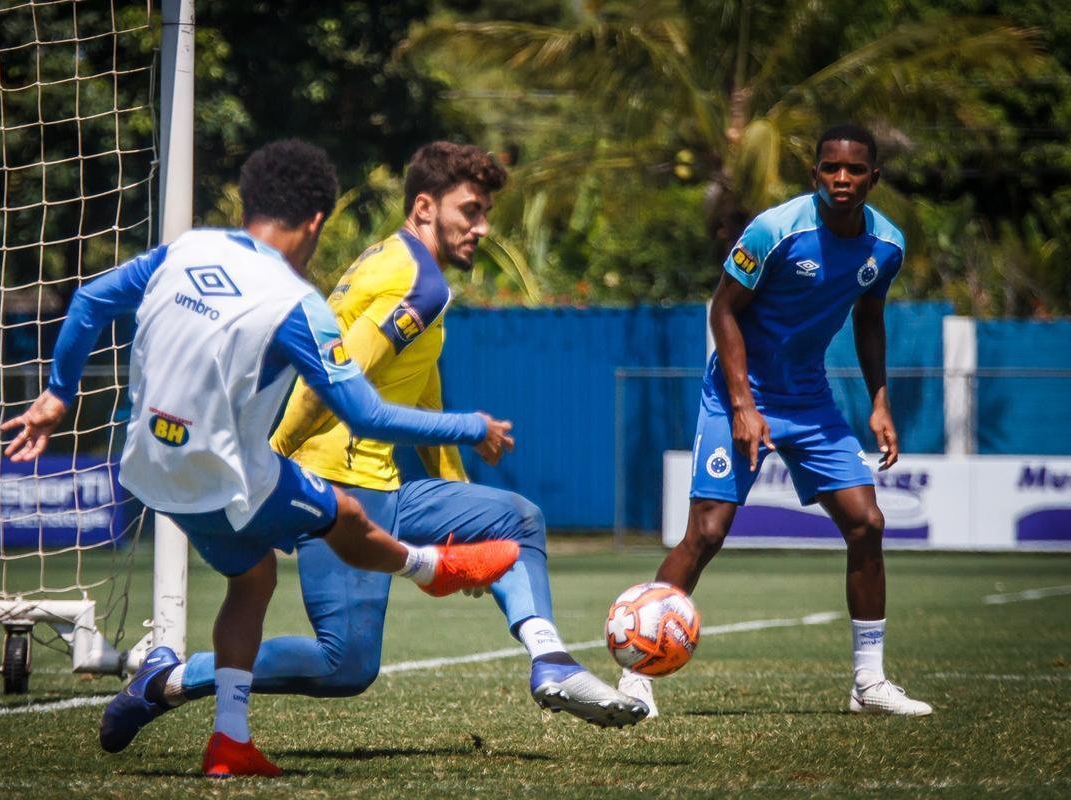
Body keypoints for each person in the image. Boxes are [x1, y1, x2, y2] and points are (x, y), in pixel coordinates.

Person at [0, 139, 522, 778]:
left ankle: (230, 740)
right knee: (347, 517)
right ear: (317, 222)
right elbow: (365, 415)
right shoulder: (297, 304)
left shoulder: (185, 250)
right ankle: (428, 566)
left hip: (145, 472)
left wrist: (57, 395)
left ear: (250, 203)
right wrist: (470, 426)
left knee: (253, 579)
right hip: (230, 480)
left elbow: (88, 302)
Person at [107, 141, 648, 742]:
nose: (482, 227)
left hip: (379, 482)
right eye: (469, 210)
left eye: (485, 212)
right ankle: (168, 677)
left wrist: (457, 494)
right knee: (345, 665)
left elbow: (422, 389)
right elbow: (341, 380)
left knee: (515, 521)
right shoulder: (420, 283)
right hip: (339, 480)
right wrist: (274, 469)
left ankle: (550, 660)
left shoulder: (397, 263)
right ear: (424, 206)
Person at [619, 124, 933, 718]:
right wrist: (742, 404)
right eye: (830, 169)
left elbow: (869, 320)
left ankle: (869, 683)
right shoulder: (775, 229)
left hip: (809, 399)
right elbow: (723, 311)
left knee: (866, 522)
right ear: (815, 175)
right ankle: (637, 674)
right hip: (736, 392)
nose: (842, 179)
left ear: (874, 177)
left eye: (855, 169)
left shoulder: (886, 246)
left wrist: (880, 401)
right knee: (707, 533)